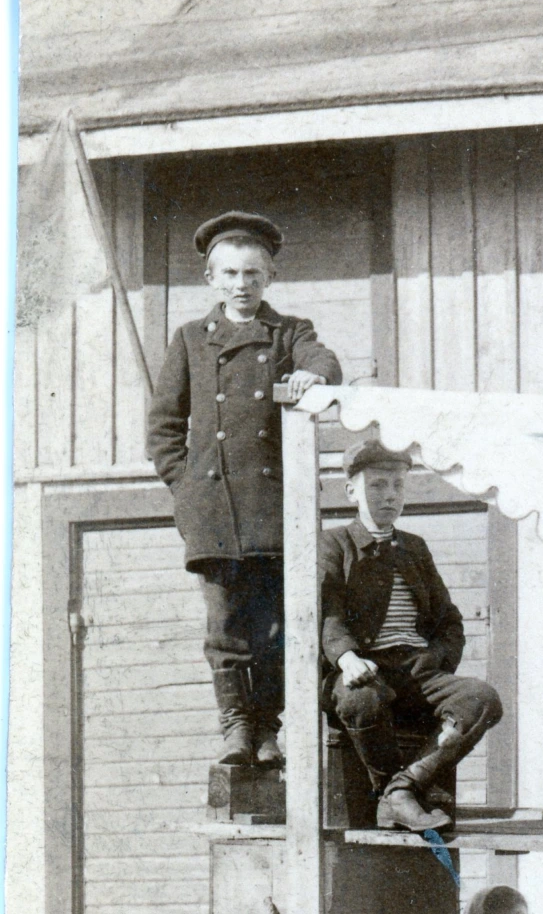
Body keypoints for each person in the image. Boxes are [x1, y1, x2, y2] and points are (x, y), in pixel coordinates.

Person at [145, 212, 343, 771]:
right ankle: (235, 726)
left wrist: (313, 375)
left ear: (270, 277)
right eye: (230, 273)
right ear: (211, 279)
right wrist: (187, 487)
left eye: (253, 273)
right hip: (213, 509)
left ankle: (267, 729)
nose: (241, 284)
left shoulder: (289, 331)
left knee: (276, 627)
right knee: (226, 626)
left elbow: (324, 360)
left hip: (274, 508)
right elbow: (163, 426)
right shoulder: (190, 339)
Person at [319, 439, 506, 831]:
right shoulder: (334, 544)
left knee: (481, 698)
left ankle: (403, 788)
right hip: (363, 671)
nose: (390, 495)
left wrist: (435, 660)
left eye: (397, 485)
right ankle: (399, 793)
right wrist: (348, 658)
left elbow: (449, 621)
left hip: (416, 671)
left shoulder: (414, 548)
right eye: (377, 485)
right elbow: (327, 614)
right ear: (351, 491)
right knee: (360, 699)